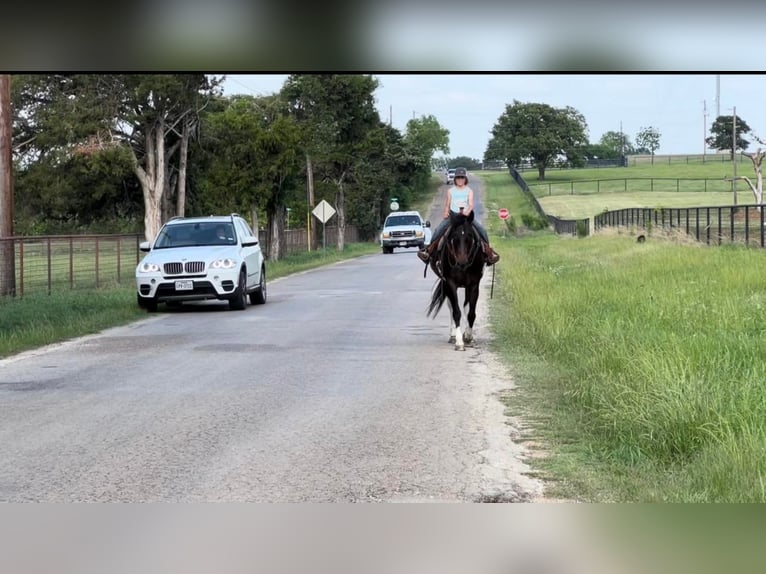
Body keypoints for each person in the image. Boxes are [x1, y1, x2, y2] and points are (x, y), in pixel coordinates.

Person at [417, 167, 500, 265]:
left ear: (465, 179)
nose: (460, 179)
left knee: (482, 230)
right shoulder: (451, 191)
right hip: (453, 217)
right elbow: (448, 204)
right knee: (438, 230)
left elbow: (470, 204)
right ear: (455, 179)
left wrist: (467, 212)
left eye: (462, 177)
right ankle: (428, 251)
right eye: (458, 177)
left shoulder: (469, 191)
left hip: (466, 217)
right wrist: (446, 212)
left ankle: (489, 253)